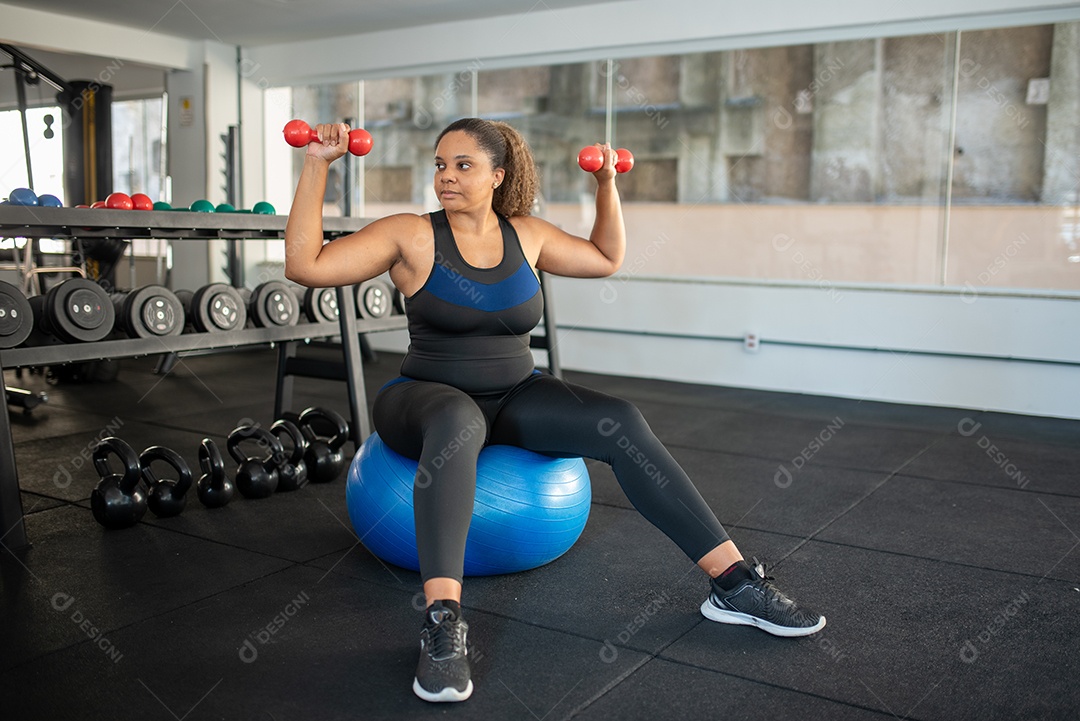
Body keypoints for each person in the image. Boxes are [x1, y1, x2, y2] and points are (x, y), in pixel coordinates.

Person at [284, 117, 825, 703]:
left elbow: (604, 257)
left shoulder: (528, 235)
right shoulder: (410, 234)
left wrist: (606, 185)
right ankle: (443, 623)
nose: (446, 177)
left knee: (620, 418)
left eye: (463, 165)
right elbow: (306, 265)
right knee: (457, 421)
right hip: (425, 396)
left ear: (498, 174)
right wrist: (317, 166)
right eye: (440, 164)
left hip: (516, 393)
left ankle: (734, 584)